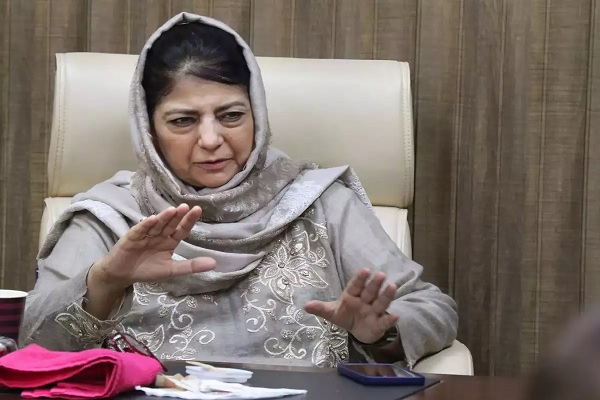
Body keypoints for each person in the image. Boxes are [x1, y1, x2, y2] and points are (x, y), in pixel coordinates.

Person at [20, 12, 458, 368]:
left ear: (258, 115)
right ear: (148, 131)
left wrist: (381, 335)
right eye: (183, 121)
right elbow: (32, 344)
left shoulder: (318, 201)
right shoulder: (110, 216)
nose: (212, 140)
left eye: (231, 116)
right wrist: (105, 281)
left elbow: (431, 307)